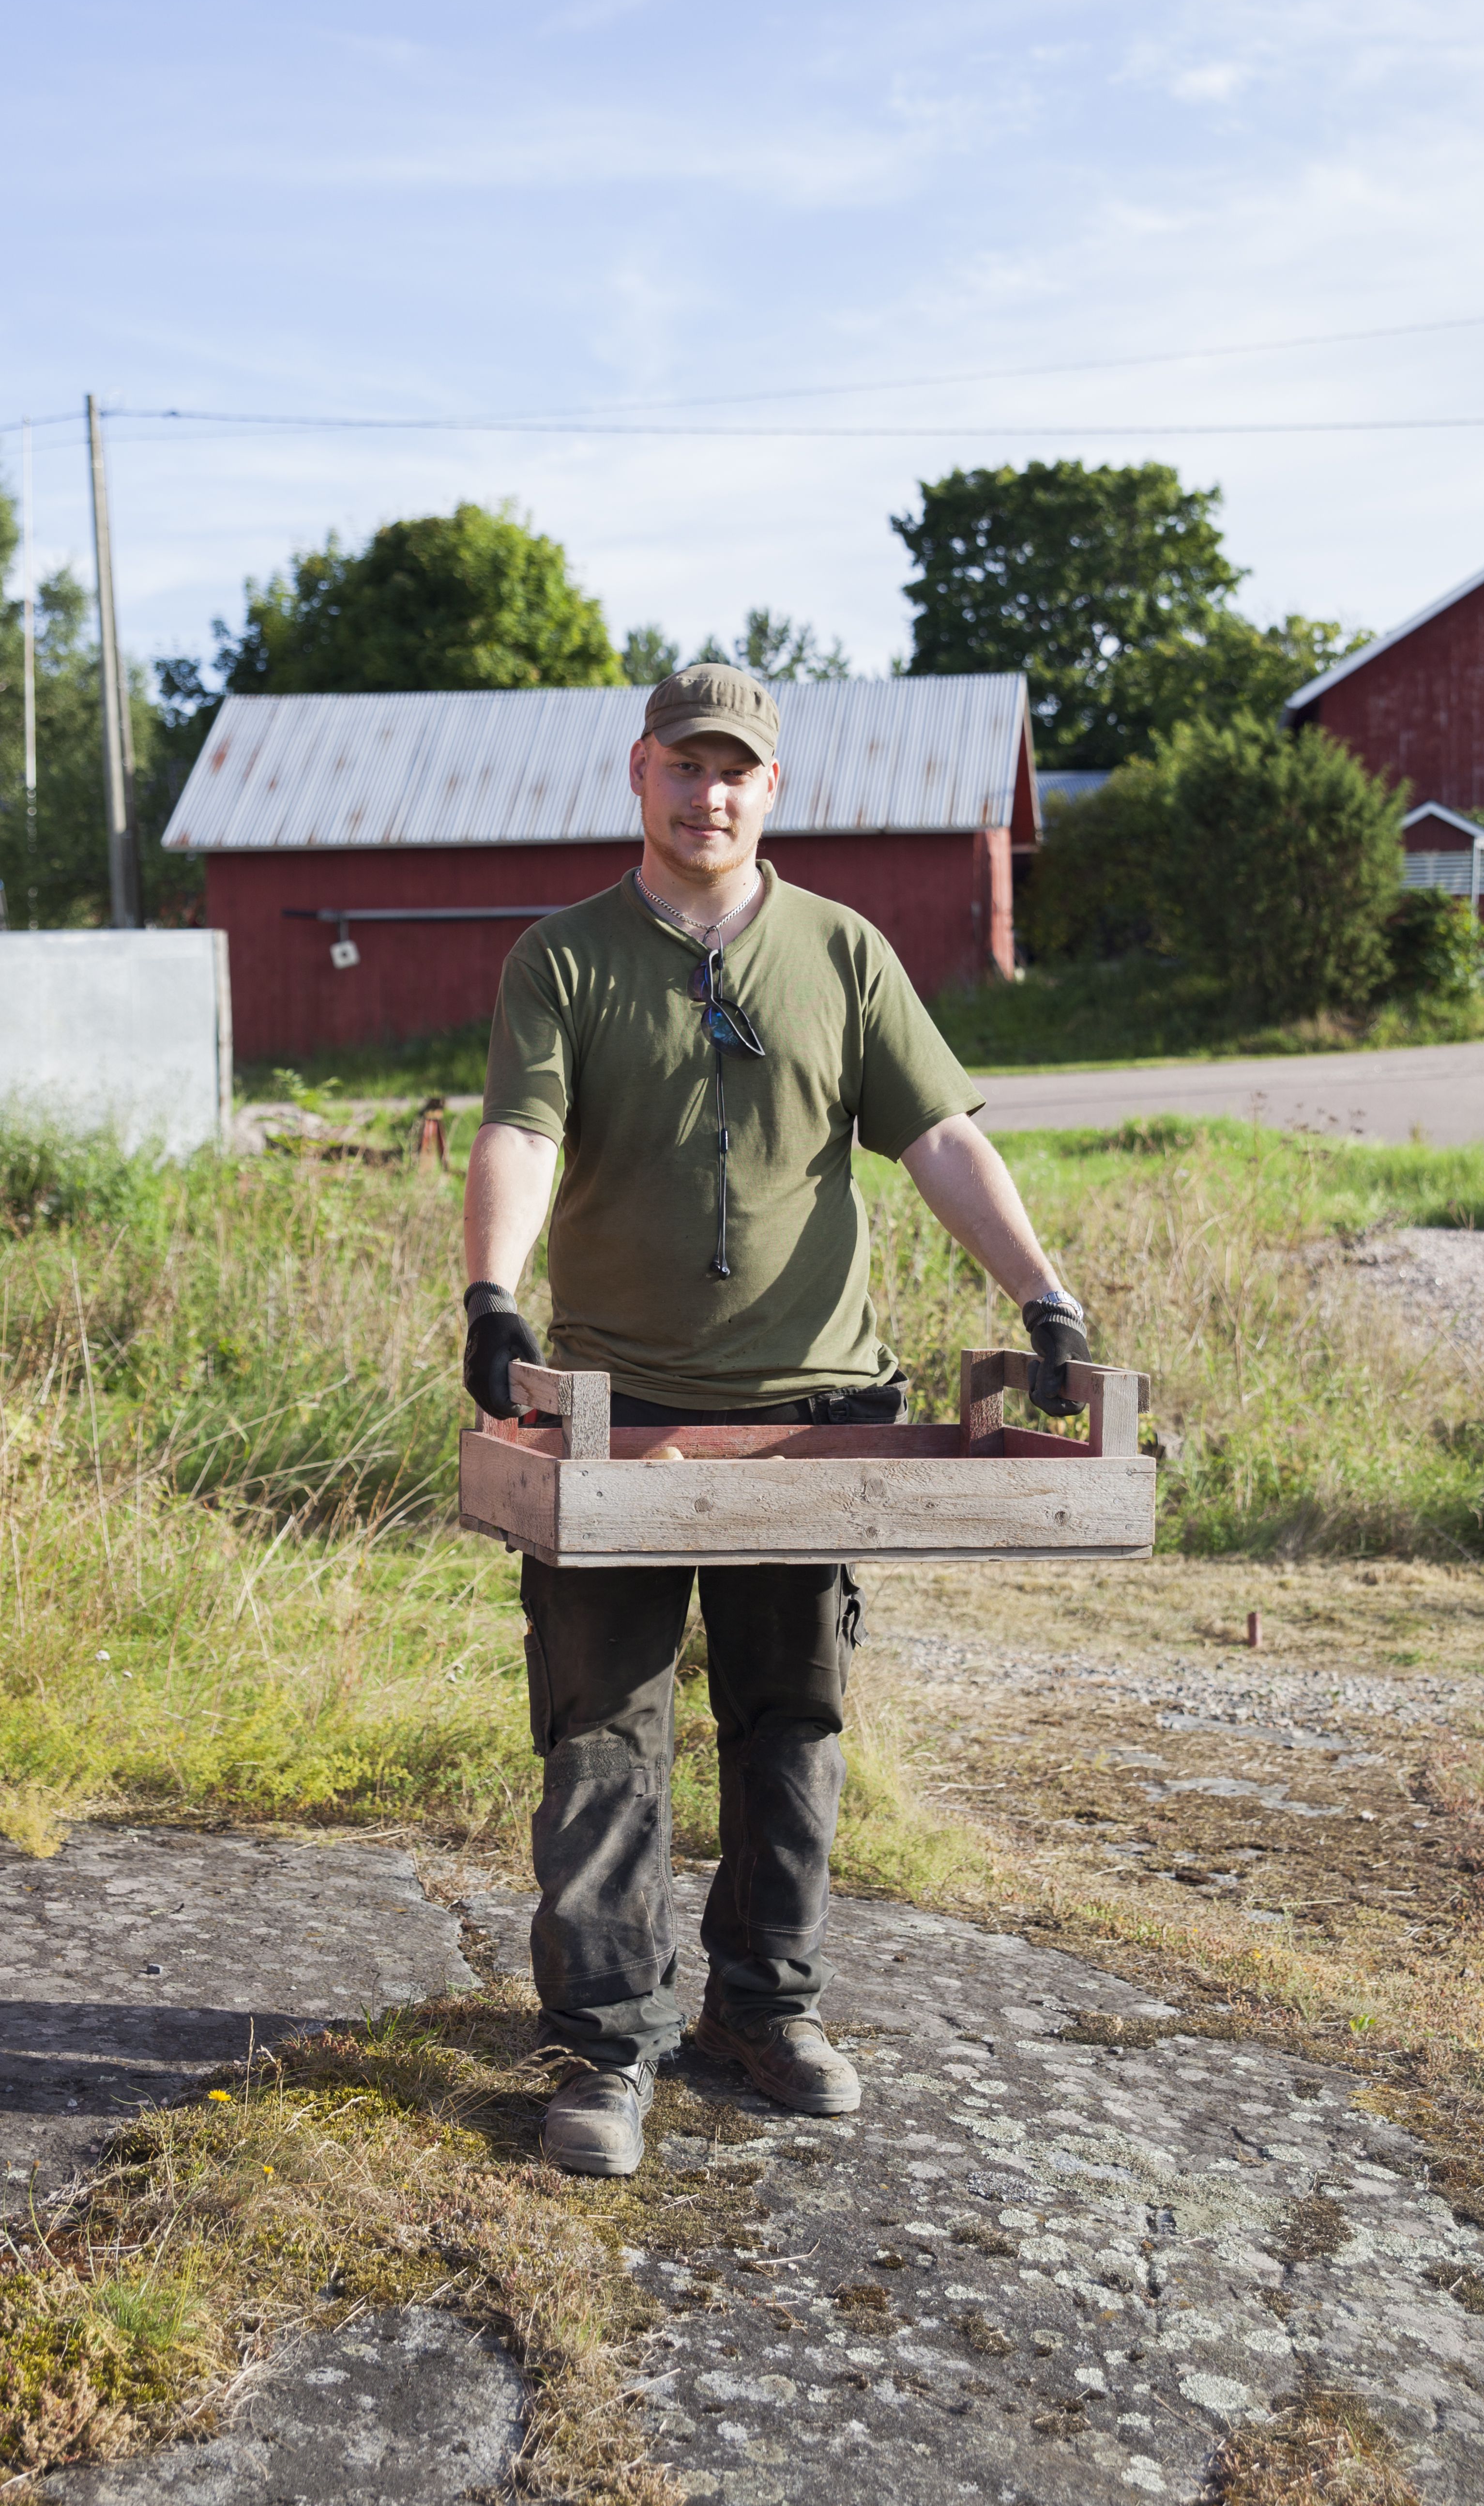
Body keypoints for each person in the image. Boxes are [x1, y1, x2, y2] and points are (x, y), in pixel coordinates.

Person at [461, 663, 1093, 2178]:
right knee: (603, 1732)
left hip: (816, 1418)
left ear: (772, 788)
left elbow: (941, 1138)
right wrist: (490, 1293)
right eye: (686, 765)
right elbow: (521, 1131)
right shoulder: (564, 958)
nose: (709, 793)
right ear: (641, 770)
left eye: (735, 769)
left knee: (791, 1725)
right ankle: (604, 2045)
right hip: (618, 1418)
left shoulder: (843, 951)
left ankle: (761, 2011)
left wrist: (1044, 1295)